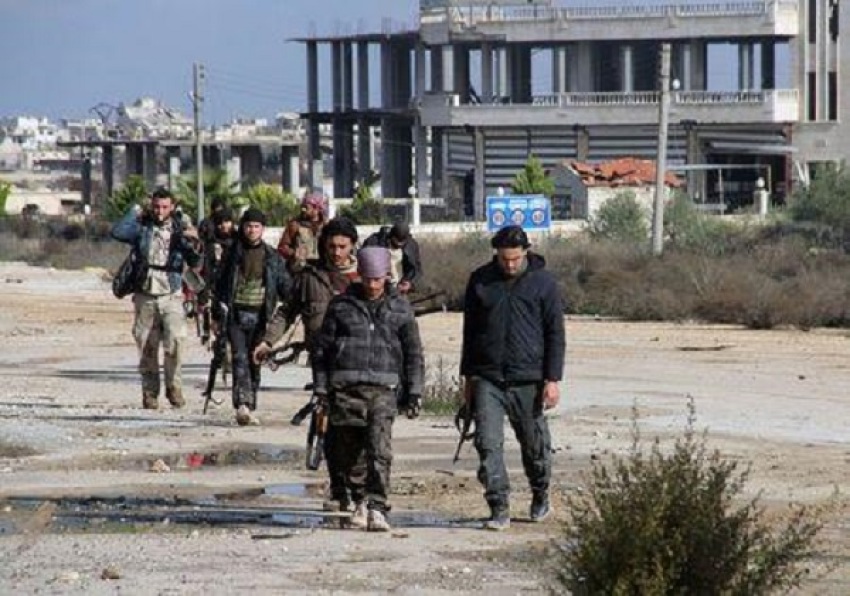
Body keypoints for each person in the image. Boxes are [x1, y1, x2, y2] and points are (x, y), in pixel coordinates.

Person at [254, 216, 364, 517]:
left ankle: (360, 488)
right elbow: (287, 312)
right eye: (330, 246)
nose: (336, 252)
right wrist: (268, 343)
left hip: (362, 364)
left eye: (342, 246)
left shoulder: (366, 277)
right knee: (330, 425)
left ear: (352, 245)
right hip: (324, 363)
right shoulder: (309, 277)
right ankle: (339, 486)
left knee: (361, 427)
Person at [460, 225, 565, 531]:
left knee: (534, 446)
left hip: (528, 378)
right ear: (496, 253)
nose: (510, 265)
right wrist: (468, 379)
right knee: (488, 443)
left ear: (526, 253)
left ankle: (540, 493)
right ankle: (498, 506)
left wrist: (553, 378)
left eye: (515, 259)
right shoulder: (480, 280)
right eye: (505, 259)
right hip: (487, 377)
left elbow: (555, 333)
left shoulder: (544, 283)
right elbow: (470, 333)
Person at [311, 246, 423, 532]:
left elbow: (413, 353)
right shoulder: (341, 306)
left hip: (384, 390)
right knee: (350, 453)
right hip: (345, 389)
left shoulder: (400, 308)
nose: (373, 285)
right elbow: (322, 352)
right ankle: (360, 499)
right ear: (359, 274)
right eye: (368, 279)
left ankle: (378, 506)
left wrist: (415, 391)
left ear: (387, 276)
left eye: (378, 279)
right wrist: (322, 389)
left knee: (379, 450)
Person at [111, 187, 203, 410]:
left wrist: (189, 238)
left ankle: (174, 388)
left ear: (172, 207)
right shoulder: (142, 227)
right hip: (145, 292)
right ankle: (150, 392)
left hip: (171, 292)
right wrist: (135, 210)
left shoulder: (179, 229)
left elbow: (195, 258)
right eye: (156, 207)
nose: (160, 212)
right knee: (146, 346)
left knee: (176, 342)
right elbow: (118, 232)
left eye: (165, 207)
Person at [213, 207, 292, 426]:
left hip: (260, 317)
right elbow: (219, 286)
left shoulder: (272, 257)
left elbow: (285, 286)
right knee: (238, 358)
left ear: (263, 229)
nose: (252, 230)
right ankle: (242, 404)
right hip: (236, 315)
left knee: (255, 360)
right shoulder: (232, 254)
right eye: (248, 226)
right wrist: (216, 316)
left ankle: (251, 402)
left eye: (256, 226)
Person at [361, 221, 423, 295]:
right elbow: (363, 263)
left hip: (398, 288)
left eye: (402, 242)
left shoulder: (411, 246)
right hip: (376, 286)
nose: (399, 244)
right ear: (391, 236)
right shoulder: (375, 241)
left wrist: (409, 282)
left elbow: (416, 269)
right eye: (396, 241)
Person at [277, 191, 327, 272]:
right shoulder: (294, 225)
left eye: (306, 207)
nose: (303, 210)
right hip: (299, 270)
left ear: (317, 209)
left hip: (321, 270)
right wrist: (294, 253)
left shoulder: (326, 226)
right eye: (302, 207)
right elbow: (282, 248)